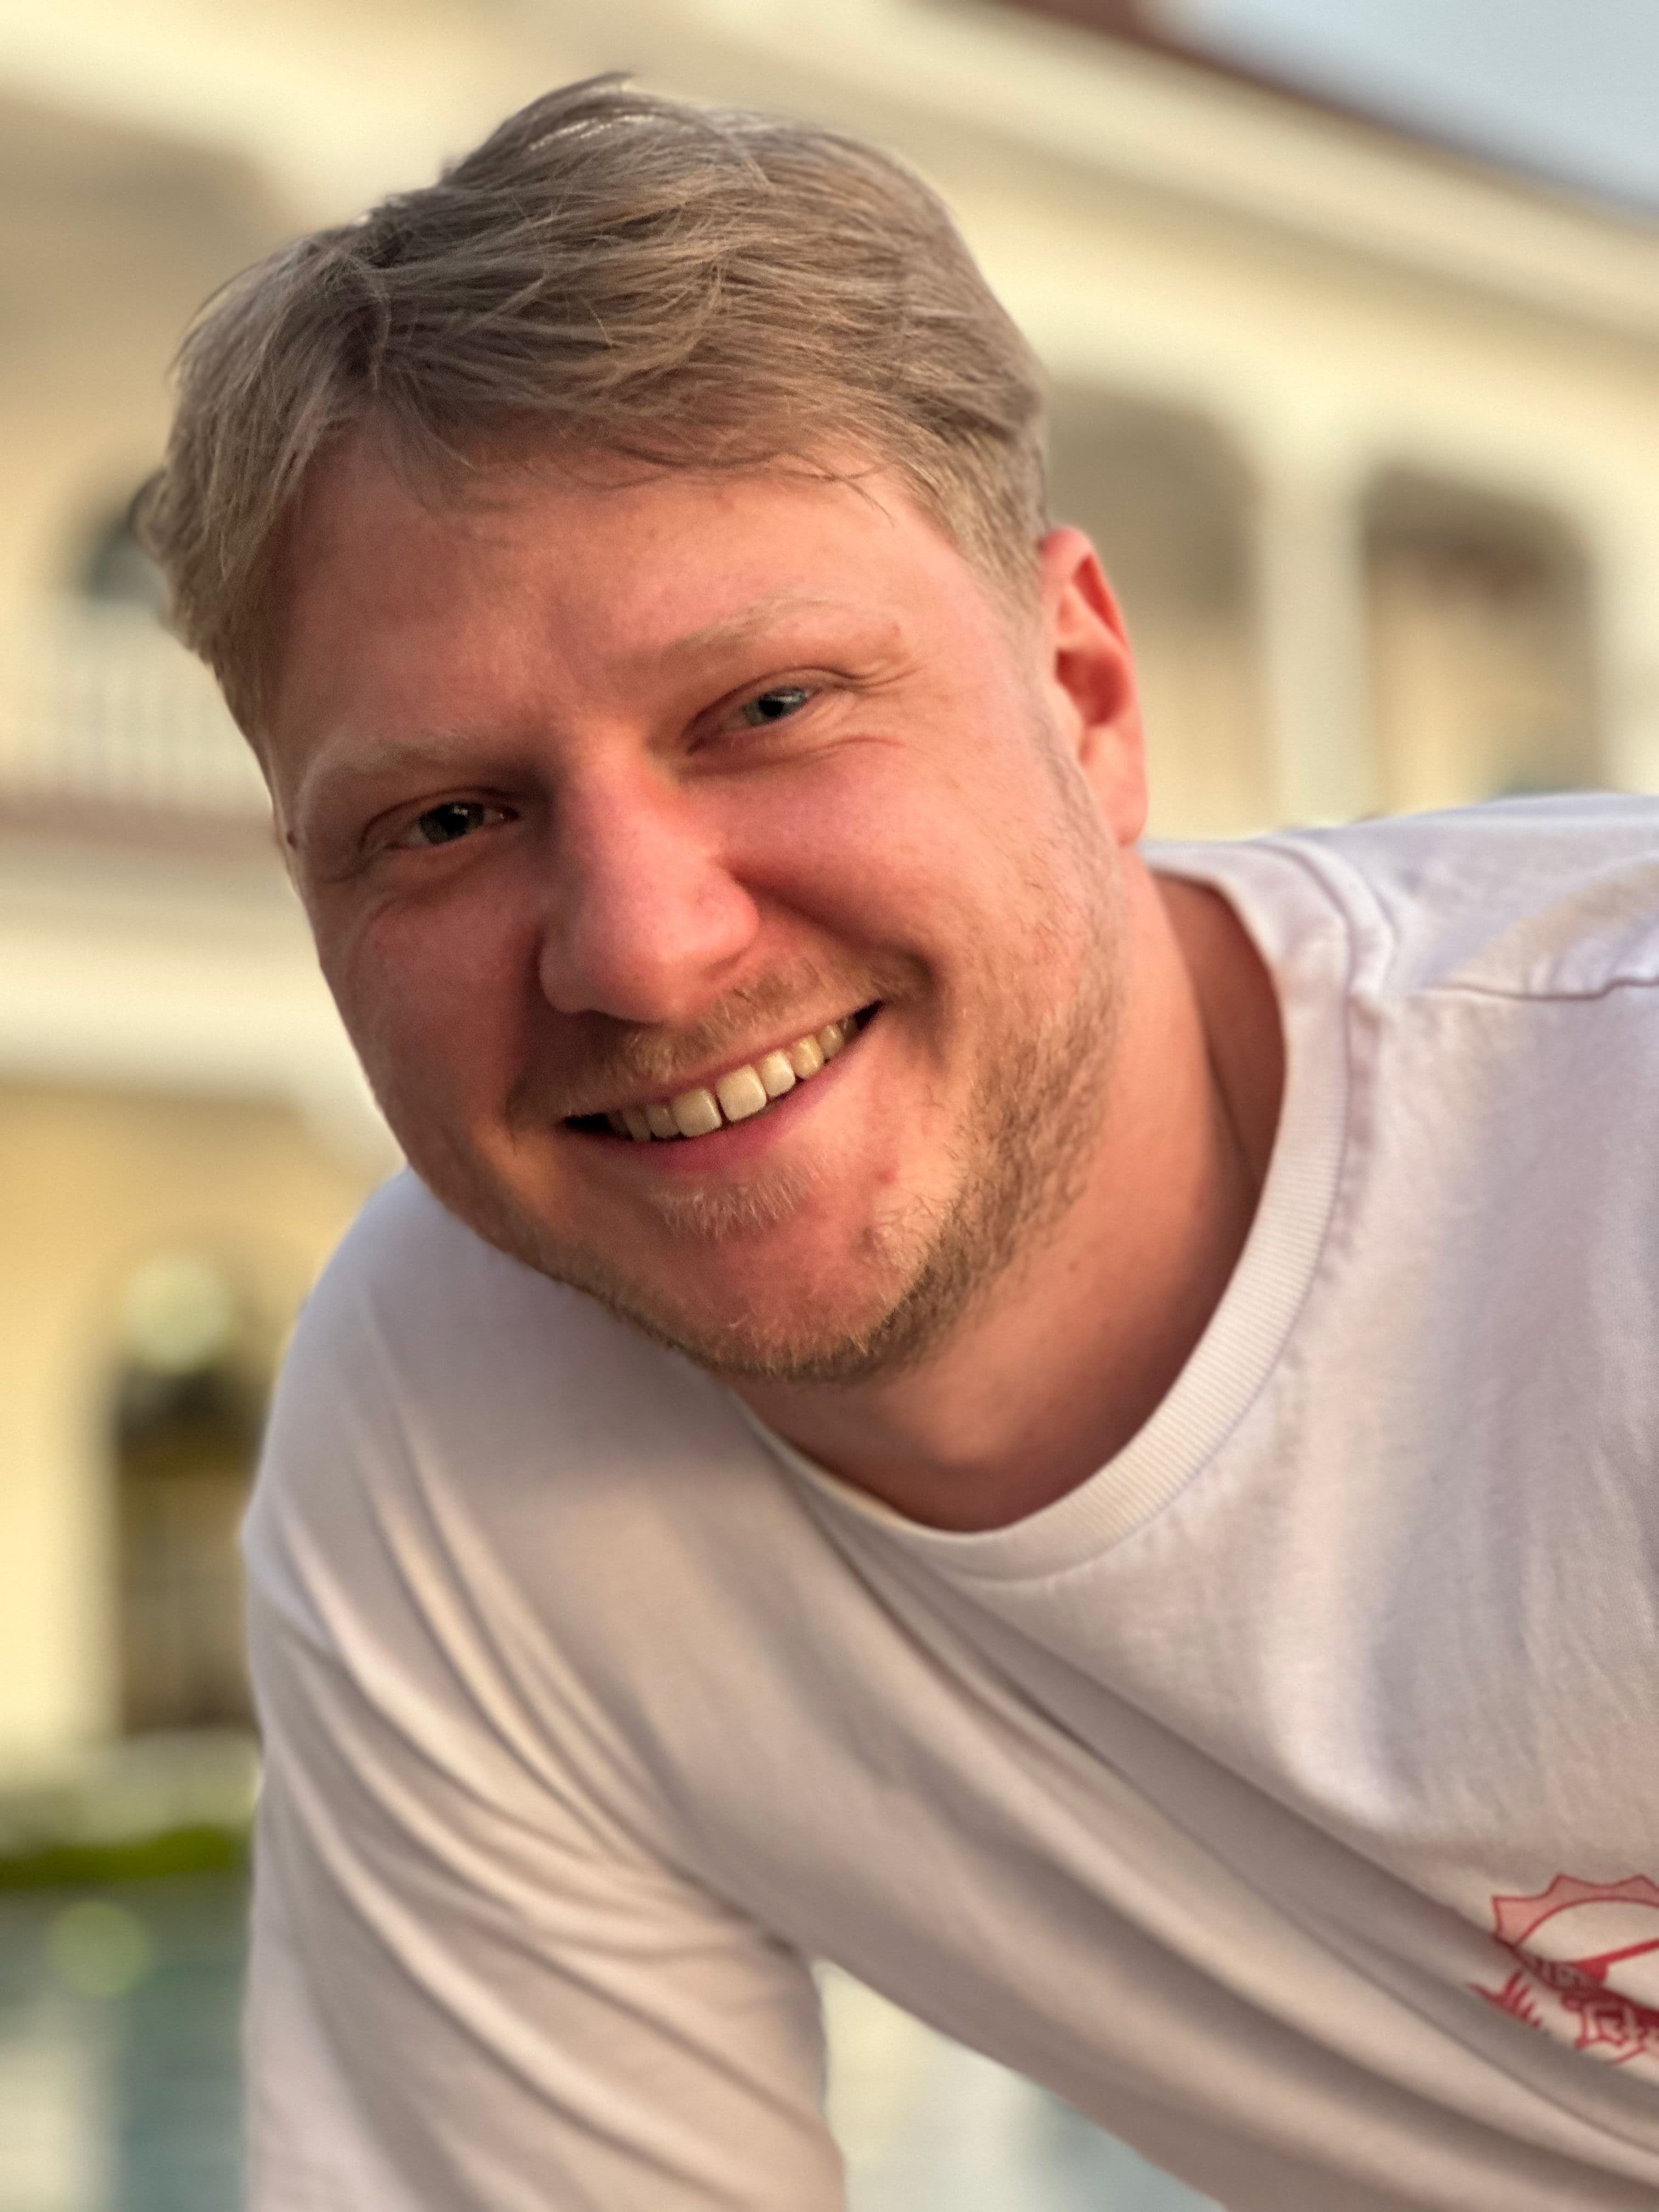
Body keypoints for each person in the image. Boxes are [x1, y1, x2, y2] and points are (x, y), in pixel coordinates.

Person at [138, 78, 1659, 2212]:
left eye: (764, 710)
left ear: (1087, 691)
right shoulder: (460, 1436)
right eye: (446, 821)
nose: (643, 956)